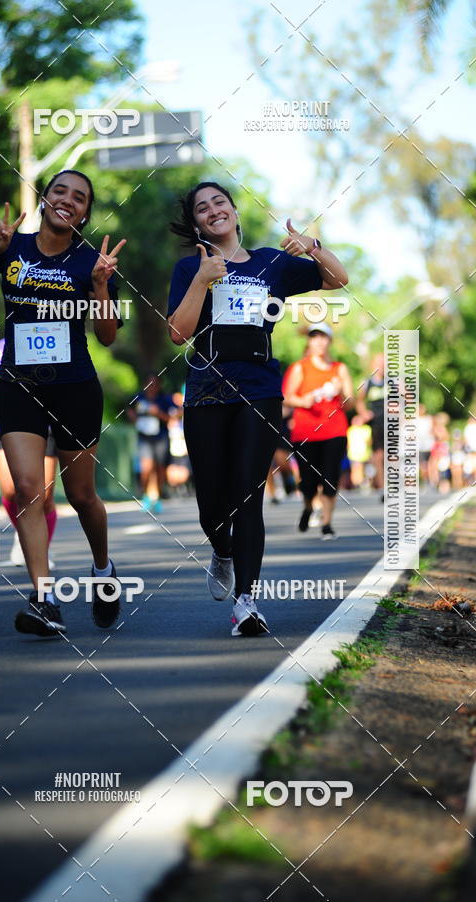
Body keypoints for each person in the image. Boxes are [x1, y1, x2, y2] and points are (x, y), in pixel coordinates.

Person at [0, 170, 126, 636]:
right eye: (60, 191)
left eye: (80, 198)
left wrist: (101, 287)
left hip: (75, 386)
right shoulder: (12, 248)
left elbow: (107, 336)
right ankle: (45, 599)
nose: (68, 200)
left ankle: (103, 570)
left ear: (85, 213)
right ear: (44, 198)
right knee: (28, 491)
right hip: (18, 384)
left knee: (81, 496)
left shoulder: (94, 261)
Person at [167, 180, 348, 636]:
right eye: (203, 208)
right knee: (211, 503)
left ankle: (246, 603)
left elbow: (338, 279)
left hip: (259, 388)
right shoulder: (189, 267)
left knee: (248, 494)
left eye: (220, 202)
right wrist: (202, 280)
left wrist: (313, 247)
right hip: (207, 389)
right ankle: (222, 550)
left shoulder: (271, 262)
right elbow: (178, 333)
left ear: (234, 212)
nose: (213, 210)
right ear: (196, 224)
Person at [0, 338, 59, 568]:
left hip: (47, 423)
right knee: (10, 490)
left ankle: (40, 549)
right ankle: (24, 534)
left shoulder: (49, 339)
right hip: (8, 422)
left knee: (43, 496)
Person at [284, 322, 353, 539]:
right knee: (308, 482)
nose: (320, 342)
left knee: (330, 477)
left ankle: (327, 523)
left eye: (323, 337)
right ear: (310, 341)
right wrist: (303, 401)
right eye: (315, 337)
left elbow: (350, 403)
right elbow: (287, 397)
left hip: (334, 430)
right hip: (306, 432)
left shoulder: (339, 369)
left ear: (329, 341)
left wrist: (341, 393)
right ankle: (308, 507)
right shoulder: (300, 367)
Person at [129, 374, 176, 512]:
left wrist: (157, 413)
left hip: (161, 437)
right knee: (146, 468)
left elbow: (171, 417)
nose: (152, 387)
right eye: (149, 384)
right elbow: (129, 409)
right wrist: (134, 418)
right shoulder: (138, 397)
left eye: (155, 384)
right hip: (145, 438)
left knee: (160, 468)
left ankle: (158, 498)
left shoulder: (165, 399)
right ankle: (146, 497)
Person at [356, 352, 385, 496]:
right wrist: (364, 414)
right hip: (376, 424)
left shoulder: (395, 382)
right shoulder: (367, 382)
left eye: (384, 363)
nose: (382, 366)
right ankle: (383, 488)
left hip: (392, 423)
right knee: (378, 455)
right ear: (373, 365)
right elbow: (359, 401)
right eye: (379, 363)